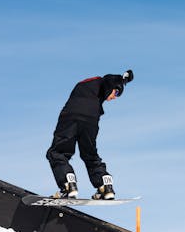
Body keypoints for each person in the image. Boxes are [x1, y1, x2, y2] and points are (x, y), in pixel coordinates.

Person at [46, 69, 134, 200]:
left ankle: (68, 184)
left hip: (73, 117)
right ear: (112, 86)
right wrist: (122, 79)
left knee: (58, 152)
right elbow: (109, 80)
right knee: (90, 155)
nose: (115, 97)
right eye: (116, 93)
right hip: (89, 120)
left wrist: (124, 81)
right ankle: (105, 185)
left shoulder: (94, 86)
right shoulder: (103, 82)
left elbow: (111, 83)